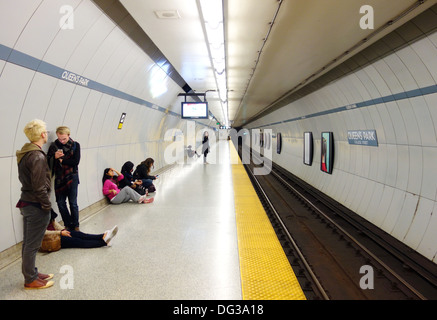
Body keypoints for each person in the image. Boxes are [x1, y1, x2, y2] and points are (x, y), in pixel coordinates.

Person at [16, 119, 54, 289]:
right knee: (32, 244)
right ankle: (30, 279)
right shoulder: (37, 156)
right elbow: (39, 188)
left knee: (28, 243)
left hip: (27, 202)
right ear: (42, 135)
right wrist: (47, 207)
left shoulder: (26, 153)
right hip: (36, 205)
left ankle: (32, 272)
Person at [47, 126, 81, 231]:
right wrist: (55, 157)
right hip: (59, 178)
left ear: (68, 135)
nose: (61, 141)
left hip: (72, 177)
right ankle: (67, 224)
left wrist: (62, 161)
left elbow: (76, 162)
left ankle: (75, 225)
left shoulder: (75, 145)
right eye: (59, 138)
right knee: (60, 202)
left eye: (64, 139)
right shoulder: (53, 146)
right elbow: (47, 161)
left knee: (73, 203)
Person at [41, 210, 118, 251]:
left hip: (58, 234)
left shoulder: (45, 206)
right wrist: (60, 232)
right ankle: (104, 242)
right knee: (78, 241)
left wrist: (63, 230)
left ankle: (103, 235)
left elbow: (54, 223)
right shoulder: (35, 213)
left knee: (80, 234)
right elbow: (42, 233)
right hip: (50, 240)